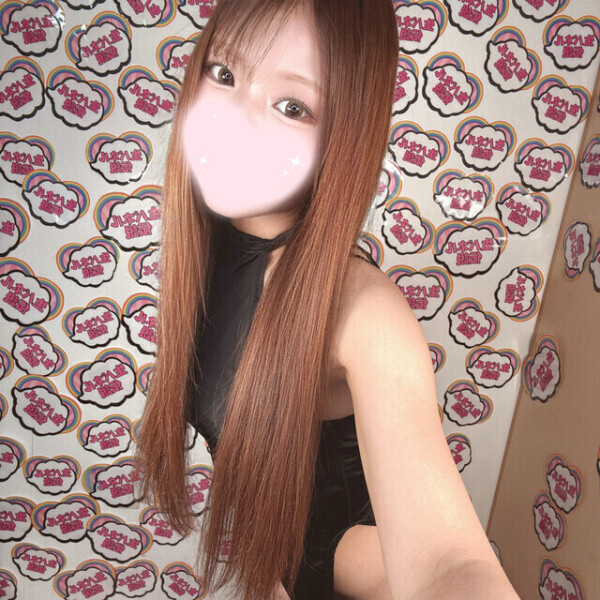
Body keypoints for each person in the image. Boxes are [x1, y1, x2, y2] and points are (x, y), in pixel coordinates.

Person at [137, 1, 521, 599]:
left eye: (292, 106)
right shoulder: (209, 245)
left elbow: (451, 565)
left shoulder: (362, 312)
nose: (234, 122)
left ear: (343, 135)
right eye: (224, 73)